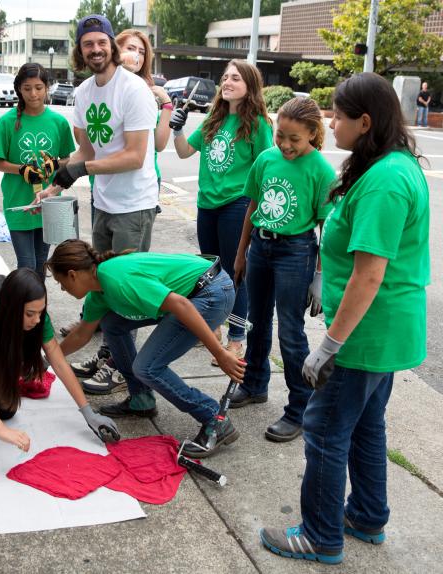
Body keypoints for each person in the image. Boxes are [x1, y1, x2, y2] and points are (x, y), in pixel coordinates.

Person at [260, 73, 429, 564]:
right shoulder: (387, 166)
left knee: (326, 429)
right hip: (380, 333)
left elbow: (369, 275)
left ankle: (319, 535)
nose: (330, 123)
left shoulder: (385, 180)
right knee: (366, 425)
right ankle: (368, 516)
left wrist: (328, 345)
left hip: (364, 336)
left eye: (337, 115)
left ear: (365, 121)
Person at [36, 14, 159, 396]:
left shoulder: (134, 90)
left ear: (113, 46)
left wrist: (82, 169)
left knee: (123, 290)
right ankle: (110, 357)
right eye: (87, 43)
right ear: (80, 49)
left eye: (100, 42)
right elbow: (86, 150)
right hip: (104, 203)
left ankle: (117, 367)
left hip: (134, 204)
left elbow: (136, 156)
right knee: (101, 284)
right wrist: (58, 179)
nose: (95, 49)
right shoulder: (84, 93)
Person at [49, 239, 247, 458]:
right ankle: (141, 400)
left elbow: (181, 305)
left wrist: (220, 353)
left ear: (73, 274)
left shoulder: (117, 279)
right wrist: (47, 359)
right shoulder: (99, 293)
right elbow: (81, 333)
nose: (62, 288)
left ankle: (214, 419)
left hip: (210, 293)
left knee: (147, 367)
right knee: (111, 324)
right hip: (194, 293)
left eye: (61, 282)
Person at [231, 97, 337, 442]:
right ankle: (254, 384)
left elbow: (325, 228)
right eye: (281, 136)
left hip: (296, 251)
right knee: (256, 322)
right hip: (261, 247)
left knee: (290, 332)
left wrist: (319, 276)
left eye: (295, 139)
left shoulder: (321, 170)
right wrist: (242, 252)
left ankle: (299, 409)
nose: (286, 145)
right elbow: (253, 205)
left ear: (312, 135)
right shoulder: (265, 159)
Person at [0, 268, 120, 450]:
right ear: (11, 307)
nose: (37, 320)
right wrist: (0, 430)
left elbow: (58, 360)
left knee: (6, 411)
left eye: (41, 312)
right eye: (30, 314)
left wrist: (88, 413)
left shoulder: (33, 313)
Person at [170, 59, 273, 364]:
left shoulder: (257, 124)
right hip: (207, 205)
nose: (227, 83)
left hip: (237, 205)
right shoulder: (212, 120)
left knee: (235, 274)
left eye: (236, 79)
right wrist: (177, 128)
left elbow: (267, 166)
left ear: (250, 87)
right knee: (210, 271)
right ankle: (212, 329)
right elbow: (183, 151)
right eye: (225, 78)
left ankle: (236, 340)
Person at [0, 63, 75, 280]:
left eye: (38, 87)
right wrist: (22, 170)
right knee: (26, 264)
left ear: (46, 87)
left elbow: (68, 159)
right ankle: (25, 309)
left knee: (41, 264)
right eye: (27, 88)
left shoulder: (59, 122)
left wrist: (53, 164)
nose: (33, 94)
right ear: (19, 89)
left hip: (47, 202)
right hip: (18, 202)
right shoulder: (7, 122)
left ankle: (37, 311)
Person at [115, 29, 173, 199]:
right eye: (130, 48)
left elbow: (159, 144)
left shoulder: (146, 92)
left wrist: (167, 104)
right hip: (105, 182)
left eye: (141, 52)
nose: (136, 55)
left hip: (142, 186)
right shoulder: (101, 87)